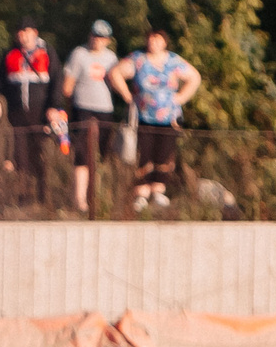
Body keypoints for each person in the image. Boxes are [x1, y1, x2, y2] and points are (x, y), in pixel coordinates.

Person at [108, 29, 201, 213]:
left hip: (169, 117)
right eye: (150, 40)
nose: (153, 43)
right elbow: (115, 73)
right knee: (144, 154)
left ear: (164, 42)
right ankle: (142, 192)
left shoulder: (173, 61)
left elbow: (194, 77)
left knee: (164, 154)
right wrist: (128, 97)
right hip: (144, 116)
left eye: (157, 40)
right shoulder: (138, 59)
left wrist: (181, 98)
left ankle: (159, 190)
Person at [62, 20, 119, 215]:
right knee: (82, 155)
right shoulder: (80, 54)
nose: (97, 40)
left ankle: (97, 196)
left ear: (108, 40)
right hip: (83, 108)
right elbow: (67, 87)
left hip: (105, 109)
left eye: (102, 37)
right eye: (95, 35)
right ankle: (80, 198)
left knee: (101, 155)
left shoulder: (111, 58)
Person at [2, 24, 53, 199]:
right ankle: (23, 195)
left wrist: (53, 106)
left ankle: (44, 195)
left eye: (26, 32)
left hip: (40, 115)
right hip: (17, 115)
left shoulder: (47, 53)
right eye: (20, 32)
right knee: (20, 156)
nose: (23, 36)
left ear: (35, 33)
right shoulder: (10, 54)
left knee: (41, 154)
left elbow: (56, 81)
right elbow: (1, 84)